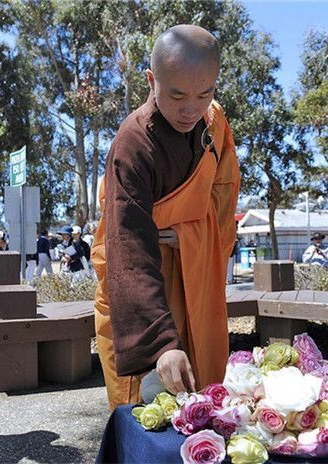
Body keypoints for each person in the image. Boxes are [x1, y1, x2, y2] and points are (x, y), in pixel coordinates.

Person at [92, 25, 240, 409]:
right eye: (177, 95)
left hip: (196, 279)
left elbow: (223, 195)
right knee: (148, 414)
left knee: (206, 411)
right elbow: (128, 247)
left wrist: (194, 229)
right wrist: (161, 342)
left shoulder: (213, 123)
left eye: (204, 93)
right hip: (143, 293)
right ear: (151, 79)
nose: (191, 108)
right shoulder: (134, 143)